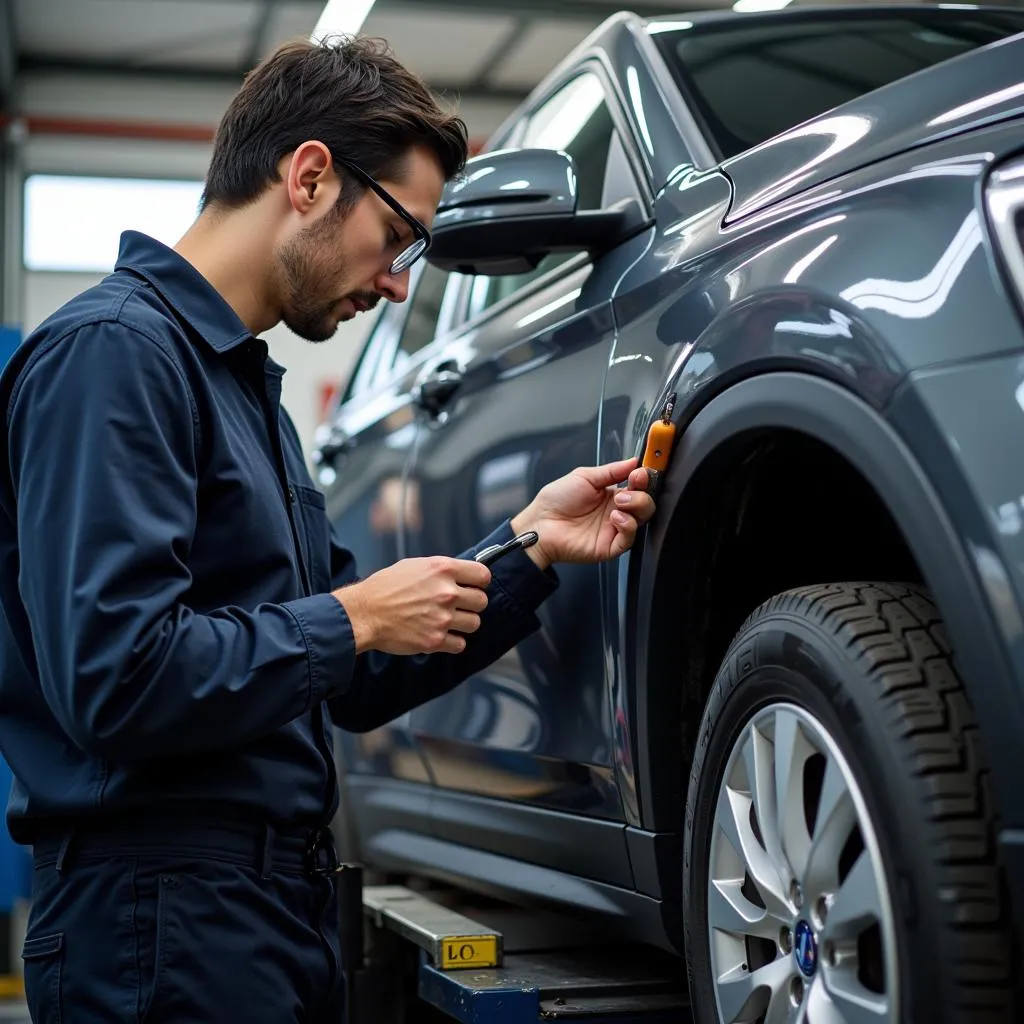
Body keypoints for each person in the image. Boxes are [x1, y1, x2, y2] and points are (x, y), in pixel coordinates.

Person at [0, 34, 656, 1024]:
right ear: (309, 177)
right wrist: (347, 617)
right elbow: (115, 678)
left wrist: (527, 548)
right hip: (158, 922)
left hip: (264, 912)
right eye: (399, 237)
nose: (398, 284)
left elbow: (358, 675)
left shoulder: (250, 400)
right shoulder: (113, 357)